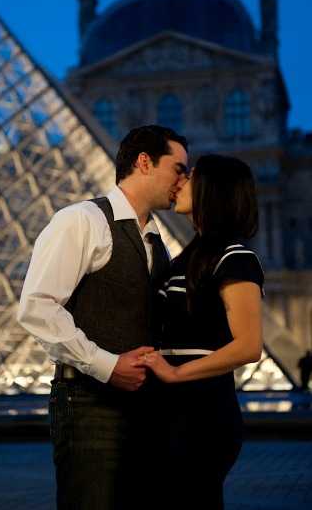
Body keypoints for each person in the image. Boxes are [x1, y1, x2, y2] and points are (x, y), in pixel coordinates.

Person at [18, 125, 188, 510]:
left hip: (146, 407)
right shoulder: (81, 220)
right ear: (144, 162)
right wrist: (107, 365)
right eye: (178, 168)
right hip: (88, 404)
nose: (184, 180)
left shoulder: (156, 240)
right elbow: (37, 306)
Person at [136, 154, 264, 510]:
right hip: (173, 412)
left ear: (213, 190)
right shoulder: (187, 259)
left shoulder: (235, 257)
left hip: (203, 413)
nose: (179, 182)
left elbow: (249, 346)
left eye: (189, 177)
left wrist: (176, 373)